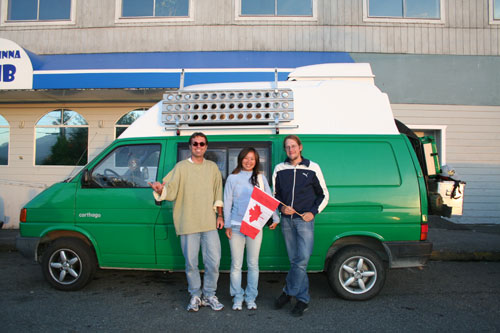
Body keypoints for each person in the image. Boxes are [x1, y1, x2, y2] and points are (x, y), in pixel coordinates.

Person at [149, 132, 225, 312]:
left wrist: (220, 215)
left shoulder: (212, 167)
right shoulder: (181, 167)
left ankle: (209, 295)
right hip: (187, 222)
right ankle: (195, 295)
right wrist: (161, 189)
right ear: (190, 147)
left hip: (209, 222)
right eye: (195, 144)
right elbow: (170, 189)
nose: (198, 147)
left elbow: (218, 193)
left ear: (206, 146)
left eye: (202, 144)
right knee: (191, 263)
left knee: (213, 262)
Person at [272, 135, 329, 317]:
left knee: (302, 260)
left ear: (300, 147)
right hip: (287, 221)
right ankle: (302, 299)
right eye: (287, 147)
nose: (291, 150)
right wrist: (281, 207)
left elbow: (324, 194)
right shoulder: (279, 169)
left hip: (304, 220)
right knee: (294, 261)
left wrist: (313, 212)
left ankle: (289, 293)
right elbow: (274, 195)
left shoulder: (313, 167)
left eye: (293, 146)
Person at [224, 147, 279, 311]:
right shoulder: (232, 179)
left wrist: (275, 218)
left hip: (254, 226)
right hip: (235, 226)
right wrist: (227, 224)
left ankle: (250, 297)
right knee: (236, 265)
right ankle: (237, 297)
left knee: (253, 264)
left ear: (256, 162)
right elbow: (227, 202)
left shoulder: (261, 178)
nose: (248, 162)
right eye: (246, 158)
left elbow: (269, 200)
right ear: (240, 159)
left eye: (252, 159)